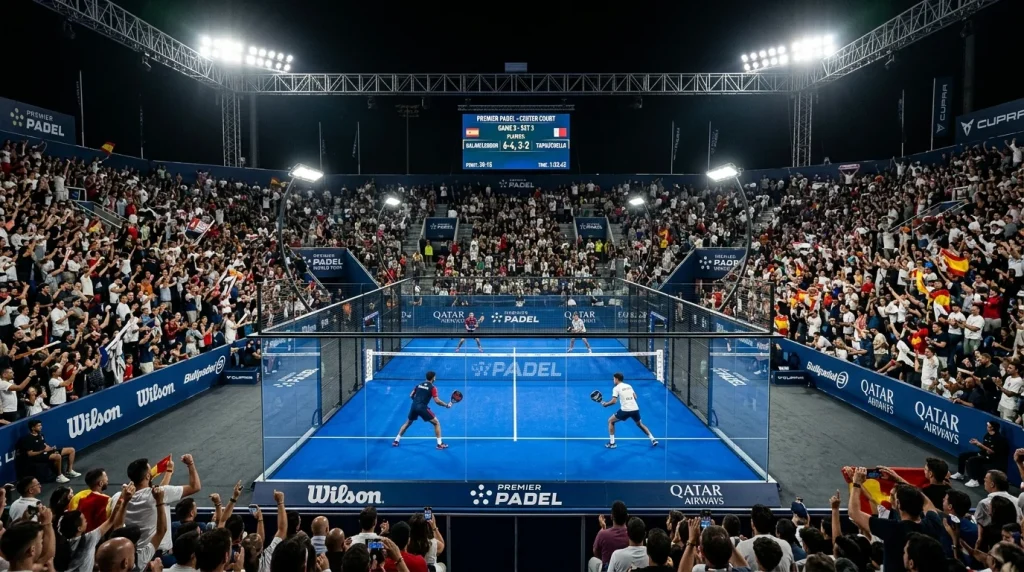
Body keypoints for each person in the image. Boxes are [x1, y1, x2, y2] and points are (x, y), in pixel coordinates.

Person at [57, 483, 134, 572]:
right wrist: (124, 499)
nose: (86, 520)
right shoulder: (88, 540)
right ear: (79, 528)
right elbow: (110, 521)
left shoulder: (60, 543)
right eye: (84, 520)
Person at [393, 371, 452, 450]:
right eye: (435, 377)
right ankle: (439, 444)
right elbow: (437, 401)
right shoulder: (433, 388)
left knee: (407, 423)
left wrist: (416, 402)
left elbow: (411, 395)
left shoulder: (419, 385)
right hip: (422, 408)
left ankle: (396, 441)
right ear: (433, 378)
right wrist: (446, 405)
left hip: (414, 406)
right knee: (436, 423)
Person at [599, 373, 658, 449]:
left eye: (613, 379)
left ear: (617, 379)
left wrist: (606, 404)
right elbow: (635, 397)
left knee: (610, 421)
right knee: (640, 424)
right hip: (635, 409)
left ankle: (612, 443)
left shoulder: (616, 388)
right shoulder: (629, 386)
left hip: (625, 410)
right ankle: (653, 439)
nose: (613, 380)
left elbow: (614, 401)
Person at [15, 419, 80, 483]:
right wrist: (43, 450)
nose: (41, 427)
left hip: (45, 452)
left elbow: (44, 444)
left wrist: (50, 448)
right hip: (38, 455)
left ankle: (69, 471)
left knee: (71, 450)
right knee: (57, 456)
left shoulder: (41, 435)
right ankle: (59, 476)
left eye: (41, 425)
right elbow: (30, 454)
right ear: (33, 428)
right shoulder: (27, 438)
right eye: (38, 426)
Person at [951, 421, 1008, 488]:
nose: (986, 427)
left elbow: (992, 452)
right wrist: (977, 444)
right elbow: (984, 448)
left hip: (992, 458)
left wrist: (980, 444)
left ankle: (975, 480)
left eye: (988, 426)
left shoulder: (1000, 438)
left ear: (992, 428)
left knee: (972, 460)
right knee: (962, 456)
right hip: (983, 453)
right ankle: (960, 474)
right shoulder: (987, 435)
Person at [590, 501, 630, 572]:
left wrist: (603, 529)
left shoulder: (602, 534)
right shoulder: (631, 535)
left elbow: (595, 551)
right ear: (627, 516)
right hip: (626, 569)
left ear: (611, 517)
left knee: (592, 561)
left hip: (607, 569)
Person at [69, 468, 111, 533]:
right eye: (106, 476)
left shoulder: (79, 498)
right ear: (101, 483)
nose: (107, 479)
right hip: (100, 534)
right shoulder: (106, 500)